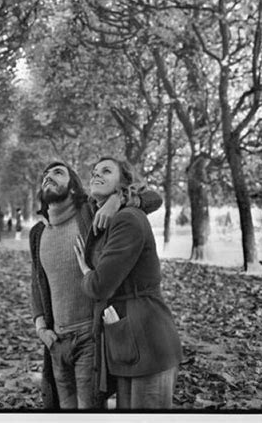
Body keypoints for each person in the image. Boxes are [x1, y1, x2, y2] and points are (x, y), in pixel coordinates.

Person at [29, 160, 162, 410]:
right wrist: (40, 327)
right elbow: (36, 281)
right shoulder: (37, 233)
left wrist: (117, 200)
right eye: (45, 175)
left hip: (90, 338)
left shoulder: (89, 213)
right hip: (56, 341)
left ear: (73, 188)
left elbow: (154, 198)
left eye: (58, 173)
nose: (48, 177)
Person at [74, 156, 182, 410]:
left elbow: (100, 286)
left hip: (147, 340)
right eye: (94, 172)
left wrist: (85, 271)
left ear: (123, 183)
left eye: (106, 171)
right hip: (127, 341)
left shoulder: (127, 218)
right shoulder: (99, 212)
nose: (96, 175)